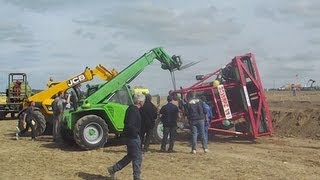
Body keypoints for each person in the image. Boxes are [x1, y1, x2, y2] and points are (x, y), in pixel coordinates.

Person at [107, 94, 145, 180]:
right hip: (133, 137)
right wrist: (135, 133)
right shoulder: (134, 110)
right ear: (140, 101)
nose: (144, 103)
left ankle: (113, 169)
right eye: (143, 101)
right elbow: (130, 124)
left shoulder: (131, 108)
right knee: (137, 157)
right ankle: (137, 177)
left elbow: (126, 122)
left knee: (131, 156)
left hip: (130, 136)